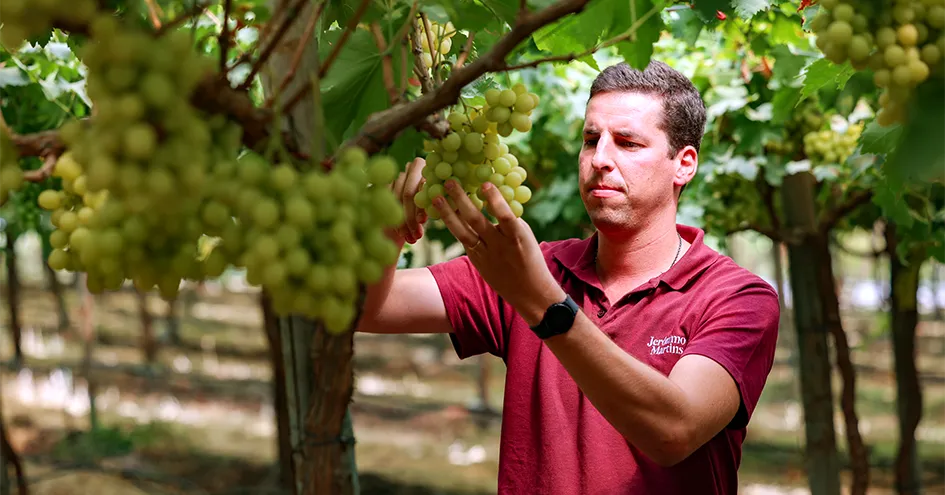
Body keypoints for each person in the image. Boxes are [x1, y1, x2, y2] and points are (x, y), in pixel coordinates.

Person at [357, 60, 780, 495]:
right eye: (591, 139)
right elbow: (369, 306)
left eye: (628, 143)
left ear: (684, 164)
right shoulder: (533, 268)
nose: (600, 159)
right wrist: (386, 228)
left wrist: (544, 306)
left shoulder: (737, 297)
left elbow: (674, 430)